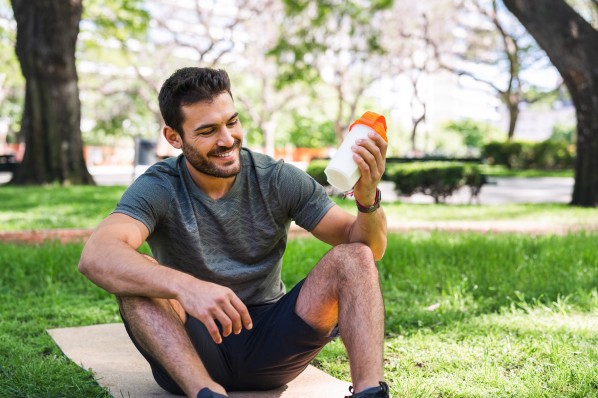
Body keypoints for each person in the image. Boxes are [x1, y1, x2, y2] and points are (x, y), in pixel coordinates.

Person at [78, 67, 389, 398]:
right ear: (174, 138)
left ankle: (370, 392)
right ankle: (207, 393)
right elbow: (96, 256)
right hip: (191, 351)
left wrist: (368, 199)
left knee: (353, 256)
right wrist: (187, 288)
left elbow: (369, 248)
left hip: (272, 343)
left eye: (232, 122)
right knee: (136, 281)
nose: (227, 139)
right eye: (208, 130)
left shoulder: (277, 178)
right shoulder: (159, 186)